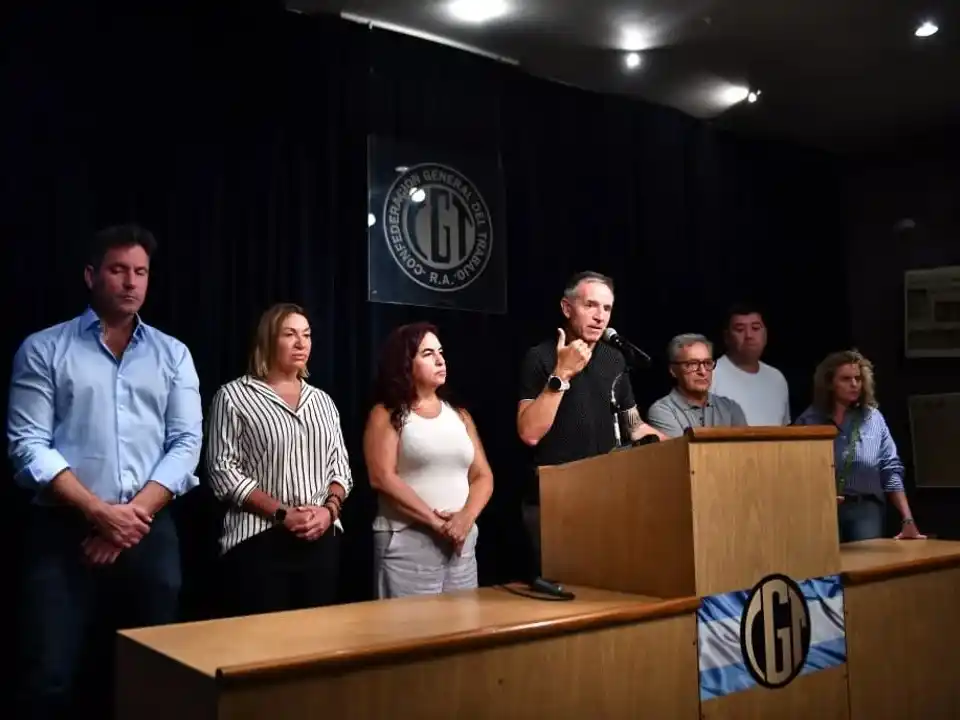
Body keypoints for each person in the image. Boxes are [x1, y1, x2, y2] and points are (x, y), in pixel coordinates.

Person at [7, 224, 203, 719]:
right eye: (118, 270)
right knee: (49, 676)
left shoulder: (173, 354)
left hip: (148, 531)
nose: (131, 282)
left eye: (141, 272)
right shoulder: (43, 349)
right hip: (63, 532)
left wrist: (127, 520)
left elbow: (185, 444)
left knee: (155, 673)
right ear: (91, 275)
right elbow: (28, 445)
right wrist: (98, 513)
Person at [206, 303, 352, 616]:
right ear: (269, 340)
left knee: (318, 639)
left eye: (306, 335)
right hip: (259, 540)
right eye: (290, 334)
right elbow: (222, 472)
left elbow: (341, 469)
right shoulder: (233, 396)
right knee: (265, 640)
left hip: (321, 538)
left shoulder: (323, 401)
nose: (301, 343)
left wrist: (328, 511)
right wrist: (283, 514)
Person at [517, 271, 664, 570]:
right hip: (556, 499)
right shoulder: (541, 357)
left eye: (607, 308)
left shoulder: (614, 359)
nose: (600, 316)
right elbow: (529, 433)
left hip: (605, 496)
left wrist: (686, 444)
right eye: (590, 305)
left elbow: (634, 425)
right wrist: (561, 374)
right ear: (566, 308)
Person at [364, 322, 494, 598]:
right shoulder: (386, 413)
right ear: (405, 364)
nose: (440, 360)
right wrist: (438, 524)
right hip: (407, 545)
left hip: (461, 545)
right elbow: (382, 477)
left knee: (463, 623)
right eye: (427, 353)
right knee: (410, 625)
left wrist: (465, 519)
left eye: (440, 352)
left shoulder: (459, 415)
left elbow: (483, 476)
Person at [794, 350, 925, 543]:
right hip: (821, 509)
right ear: (829, 383)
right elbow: (795, 471)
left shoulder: (873, 419)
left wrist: (907, 519)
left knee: (867, 560)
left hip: (865, 509)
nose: (854, 384)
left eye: (858, 378)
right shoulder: (809, 420)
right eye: (846, 379)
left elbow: (890, 469)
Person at [647, 333, 747, 437]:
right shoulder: (662, 411)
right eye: (692, 364)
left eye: (707, 363)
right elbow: (684, 448)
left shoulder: (731, 409)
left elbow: (746, 446)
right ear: (673, 370)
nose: (703, 372)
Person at [711, 303, 791, 426]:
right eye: (740, 330)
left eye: (755, 328)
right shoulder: (711, 375)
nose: (749, 335)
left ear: (765, 334)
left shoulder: (777, 378)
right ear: (727, 337)